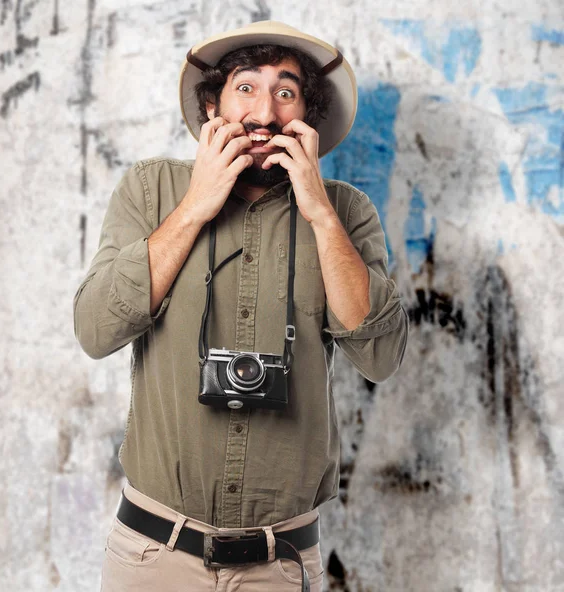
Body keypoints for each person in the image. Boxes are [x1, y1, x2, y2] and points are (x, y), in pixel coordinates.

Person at [73, 20, 408, 592]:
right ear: (213, 107)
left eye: (285, 91)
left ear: (307, 116)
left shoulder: (347, 212)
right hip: (154, 553)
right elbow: (95, 329)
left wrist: (320, 214)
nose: (265, 112)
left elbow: (380, 357)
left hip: (280, 563)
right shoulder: (151, 190)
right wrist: (196, 207)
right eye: (245, 88)